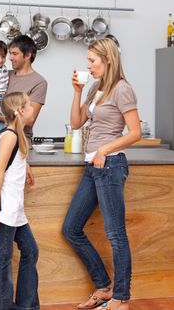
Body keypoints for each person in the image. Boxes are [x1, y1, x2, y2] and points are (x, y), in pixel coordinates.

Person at [62, 38, 141, 310]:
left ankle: (121, 299)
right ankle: (104, 287)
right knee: (71, 229)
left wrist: (105, 149)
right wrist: (77, 91)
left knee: (116, 235)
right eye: (88, 61)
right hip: (92, 167)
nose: (88, 65)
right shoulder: (96, 87)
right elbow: (76, 123)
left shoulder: (122, 89)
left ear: (108, 60)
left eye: (92, 61)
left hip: (110, 166)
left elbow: (135, 133)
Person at [0, 92, 40, 310]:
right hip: (6, 209)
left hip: (15, 210)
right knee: (3, 259)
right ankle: (3, 307)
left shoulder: (15, 135)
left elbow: (10, 161)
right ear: (21, 111)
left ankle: (27, 306)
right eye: (29, 106)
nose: (33, 109)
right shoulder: (10, 136)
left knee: (31, 250)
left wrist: (25, 165)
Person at [0, 35, 48, 148]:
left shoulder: (39, 82)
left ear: (27, 55)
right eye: (10, 53)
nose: (10, 58)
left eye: (15, 53)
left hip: (19, 145)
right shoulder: (4, 75)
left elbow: (29, 121)